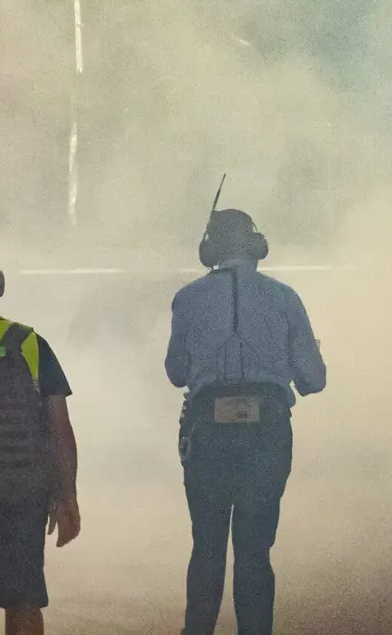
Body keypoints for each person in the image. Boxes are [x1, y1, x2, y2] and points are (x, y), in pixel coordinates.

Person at [165, 209, 325, 635]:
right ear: (256, 245)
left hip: (207, 433)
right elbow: (314, 379)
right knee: (254, 551)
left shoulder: (187, 298)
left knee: (207, 548)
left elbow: (177, 372)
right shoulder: (286, 297)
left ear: (209, 248)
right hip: (266, 432)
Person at [0, 249, 79, 635]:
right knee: (24, 600)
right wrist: (68, 497)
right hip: (26, 492)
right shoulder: (30, 342)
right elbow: (60, 428)